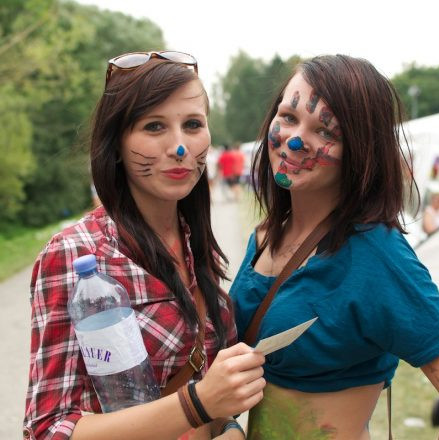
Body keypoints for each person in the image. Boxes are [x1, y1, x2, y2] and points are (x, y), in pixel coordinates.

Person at [23, 51, 266, 440]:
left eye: (192, 125)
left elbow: (207, 383)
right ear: (116, 143)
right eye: (154, 126)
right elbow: (49, 429)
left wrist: (228, 425)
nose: (180, 147)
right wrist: (198, 404)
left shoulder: (194, 242)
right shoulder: (77, 255)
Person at [230, 54, 439, 439]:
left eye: (327, 132)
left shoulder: (377, 253)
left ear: (361, 151)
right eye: (290, 117)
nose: (295, 140)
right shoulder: (264, 236)